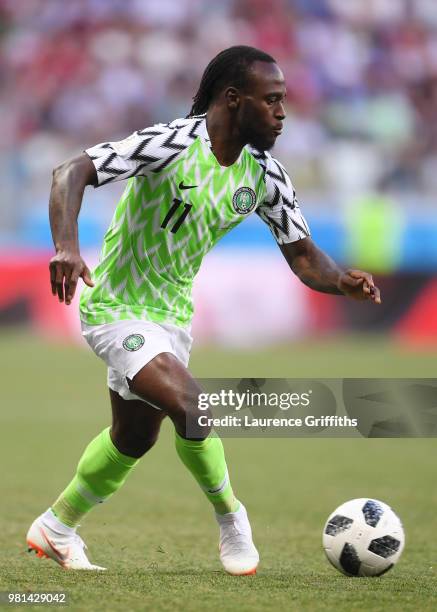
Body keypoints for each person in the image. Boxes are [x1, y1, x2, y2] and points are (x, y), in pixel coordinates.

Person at [26, 46, 381, 575]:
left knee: (133, 438)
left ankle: (56, 528)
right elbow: (70, 172)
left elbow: (305, 256)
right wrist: (67, 247)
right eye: (273, 101)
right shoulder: (171, 142)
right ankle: (233, 520)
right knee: (193, 405)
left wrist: (341, 281)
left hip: (172, 317)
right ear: (234, 100)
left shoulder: (265, 176)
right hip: (117, 307)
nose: (283, 113)